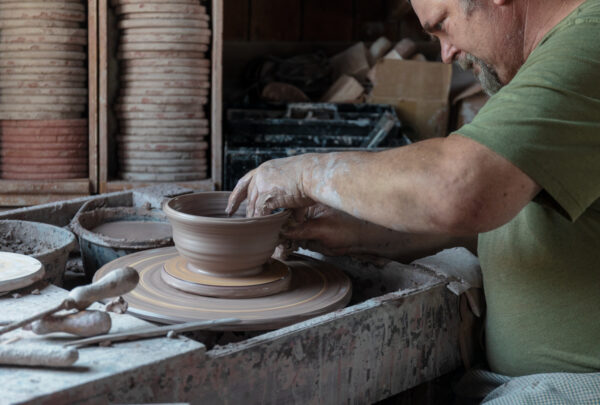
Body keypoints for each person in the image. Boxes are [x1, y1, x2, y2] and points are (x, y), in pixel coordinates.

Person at [227, 0, 600, 401]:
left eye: (442, 25)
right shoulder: (545, 60)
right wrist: (355, 231)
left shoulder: (590, 40)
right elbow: (509, 221)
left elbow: (461, 188)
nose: (446, 53)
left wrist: (306, 173)